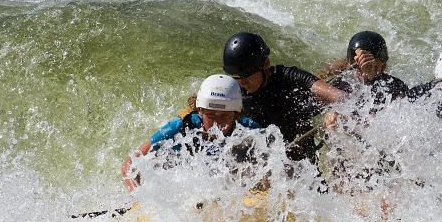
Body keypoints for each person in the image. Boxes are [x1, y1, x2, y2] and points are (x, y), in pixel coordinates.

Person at [121, 74, 259, 192]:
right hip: (175, 177)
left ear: (237, 115)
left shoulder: (248, 130)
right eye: (211, 116)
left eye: (224, 116)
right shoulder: (181, 126)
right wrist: (140, 197)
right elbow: (129, 163)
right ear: (200, 110)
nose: (217, 123)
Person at [222, 32, 346, 163]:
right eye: (235, 76)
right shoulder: (234, 92)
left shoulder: (290, 78)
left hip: (304, 165)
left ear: (266, 64)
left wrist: (334, 110)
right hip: (265, 164)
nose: (242, 82)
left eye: (246, 74)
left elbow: (339, 96)